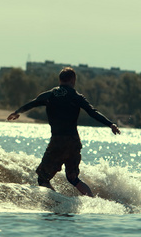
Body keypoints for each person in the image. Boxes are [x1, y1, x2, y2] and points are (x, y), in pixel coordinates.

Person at [7, 67, 120, 197]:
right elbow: (92, 112)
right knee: (73, 178)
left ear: (60, 80)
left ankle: (57, 202)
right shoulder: (76, 97)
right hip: (73, 141)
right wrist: (110, 124)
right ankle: (93, 202)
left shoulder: (49, 95)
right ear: (73, 80)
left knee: (43, 178)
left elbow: (32, 103)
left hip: (58, 141)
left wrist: (17, 112)